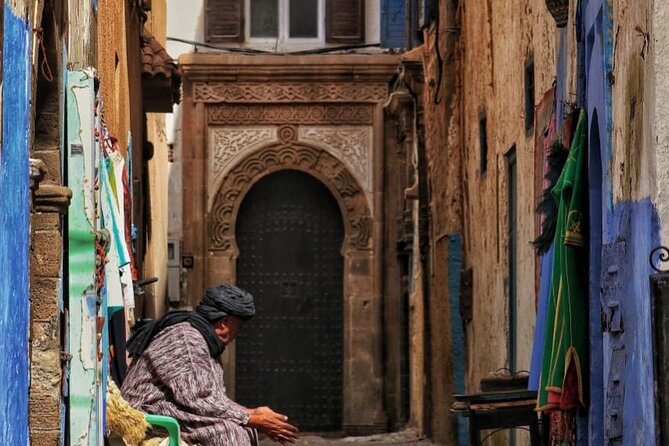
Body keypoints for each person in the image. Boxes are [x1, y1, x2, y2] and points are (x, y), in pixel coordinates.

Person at [121, 283, 300, 446]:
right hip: (148, 418)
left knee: (245, 430)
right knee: (230, 435)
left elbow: (213, 399)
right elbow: (199, 399)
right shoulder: (185, 338)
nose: (239, 333)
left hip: (175, 411)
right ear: (223, 323)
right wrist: (251, 417)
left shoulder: (207, 342)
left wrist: (254, 413)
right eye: (239, 326)